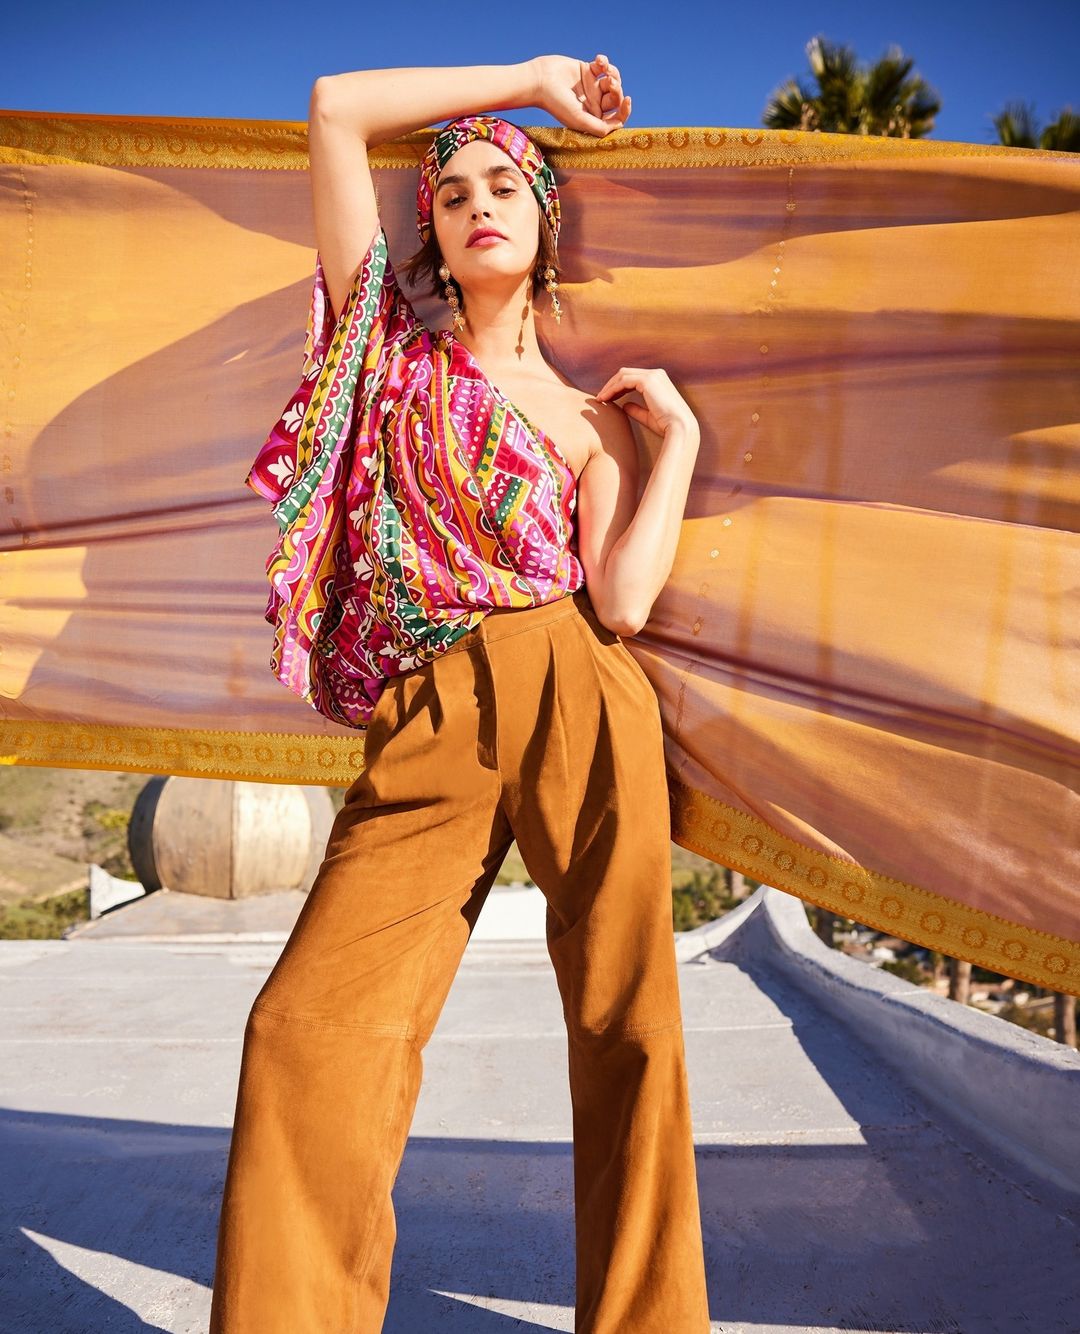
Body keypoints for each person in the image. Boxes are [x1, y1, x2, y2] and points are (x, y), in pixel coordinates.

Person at [210, 54, 709, 1334]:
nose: (479, 204)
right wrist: (536, 80)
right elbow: (333, 107)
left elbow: (625, 601)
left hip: (579, 687)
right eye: (451, 194)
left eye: (505, 185)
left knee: (629, 1020)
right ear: (425, 233)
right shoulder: (384, 351)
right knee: (308, 1026)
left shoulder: (589, 418)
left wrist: (679, 447)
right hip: (429, 712)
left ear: (545, 222)